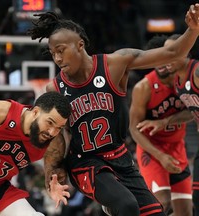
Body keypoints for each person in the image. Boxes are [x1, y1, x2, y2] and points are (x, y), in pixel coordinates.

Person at [27, 4, 199, 216]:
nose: (58, 59)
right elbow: (57, 134)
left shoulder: (115, 65)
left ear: (80, 45)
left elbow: (172, 52)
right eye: (53, 53)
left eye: (61, 50)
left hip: (120, 159)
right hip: (84, 163)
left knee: (155, 212)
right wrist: (53, 171)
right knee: (126, 206)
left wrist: (193, 30)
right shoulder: (55, 88)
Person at [129, 35, 193, 215]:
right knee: (162, 204)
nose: (162, 63)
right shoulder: (144, 88)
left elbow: (193, 110)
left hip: (177, 147)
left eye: (166, 58)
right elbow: (134, 129)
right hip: (152, 150)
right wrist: (161, 156)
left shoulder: (183, 79)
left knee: (185, 213)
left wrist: (165, 121)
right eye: (157, 58)